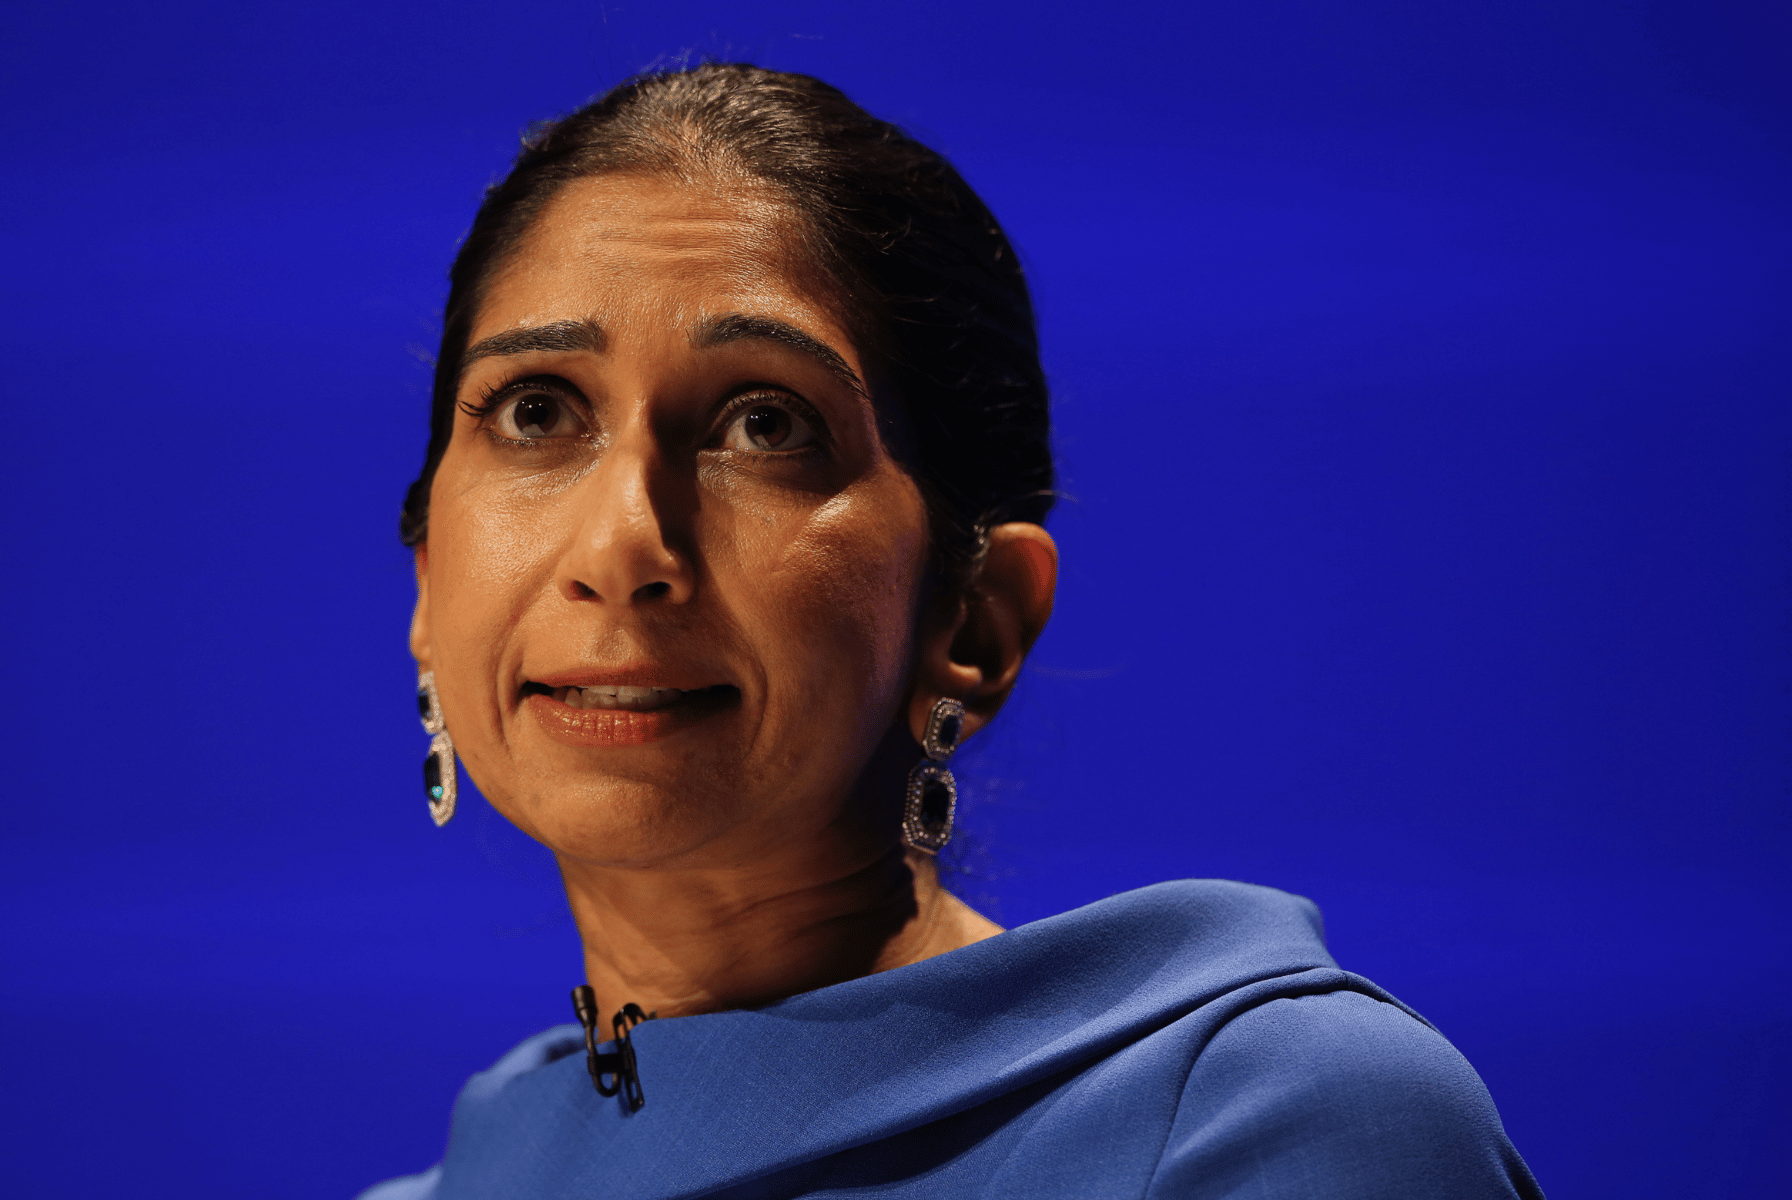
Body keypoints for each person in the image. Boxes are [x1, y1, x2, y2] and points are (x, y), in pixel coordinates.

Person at [365, 62, 1543, 1200]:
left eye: (766, 425)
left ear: (976, 618)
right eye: (536, 411)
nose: (621, 547)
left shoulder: (1272, 1130)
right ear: (427, 587)